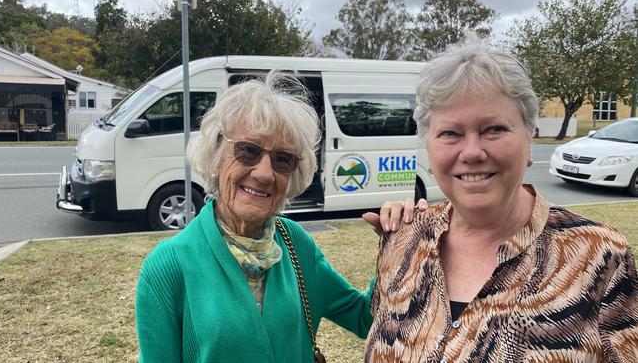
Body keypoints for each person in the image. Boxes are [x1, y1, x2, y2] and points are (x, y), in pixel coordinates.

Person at [364, 41, 638, 362]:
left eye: (493, 129)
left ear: (529, 136)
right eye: (450, 133)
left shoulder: (599, 255)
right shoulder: (403, 239)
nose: (472, 153)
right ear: (428, 145)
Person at [135, 72, 373, 362]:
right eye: (248, 150)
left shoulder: (295, 243)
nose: (263, 173)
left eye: (282, 159)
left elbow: (366, 319)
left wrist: (400, 247)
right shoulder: (167, 267)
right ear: (217, 155)